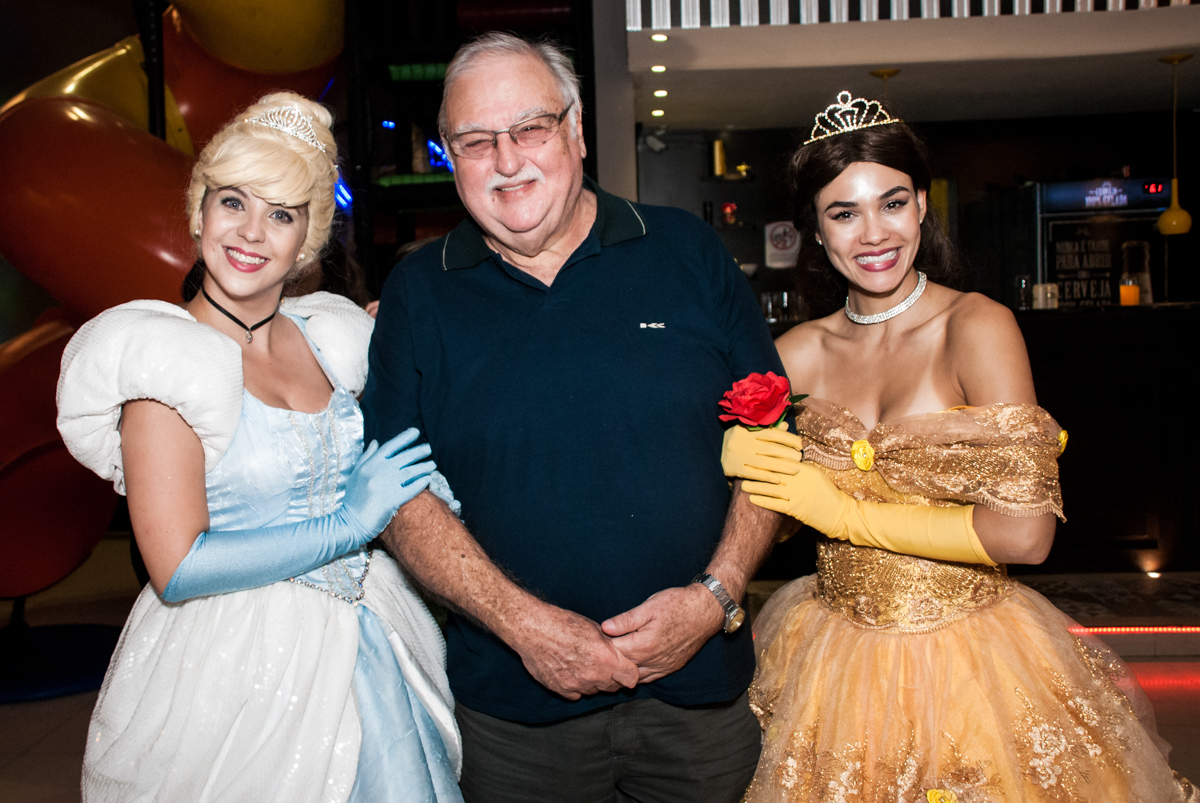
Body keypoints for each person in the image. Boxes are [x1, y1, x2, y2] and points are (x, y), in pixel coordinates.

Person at [721, 91, 1196, 802]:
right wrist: (748, 482)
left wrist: (843, 514)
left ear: (921, 205)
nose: (874, 234)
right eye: (844, 213)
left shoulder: (977, 327)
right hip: (827, 655)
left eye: (892, 203)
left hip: (972, 661)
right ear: (815, 231)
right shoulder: (793, 354)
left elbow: (1027, 535)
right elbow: (775, 513)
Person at [361, 32, 785, 802]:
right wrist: (524, 626)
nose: (508, 160)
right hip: (515, 718)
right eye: (477, 141)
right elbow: (395, 495)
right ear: (450, 157)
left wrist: (716, 596)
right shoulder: (419, 292)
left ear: (578, 129)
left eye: (531, 128)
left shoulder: (687, 251)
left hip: (699, 698)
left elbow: (772, 440)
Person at [56, 92, 464, 803]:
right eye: (233, 201)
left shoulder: (333, 339)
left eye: (281, 213)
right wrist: (347, 524)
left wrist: (424, 489)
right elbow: (178, 567)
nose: (251, 231)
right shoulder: (165, 364)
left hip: (370, 640)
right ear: (199, 211)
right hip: (233, 670)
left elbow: (388, 460)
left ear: (307, 239)